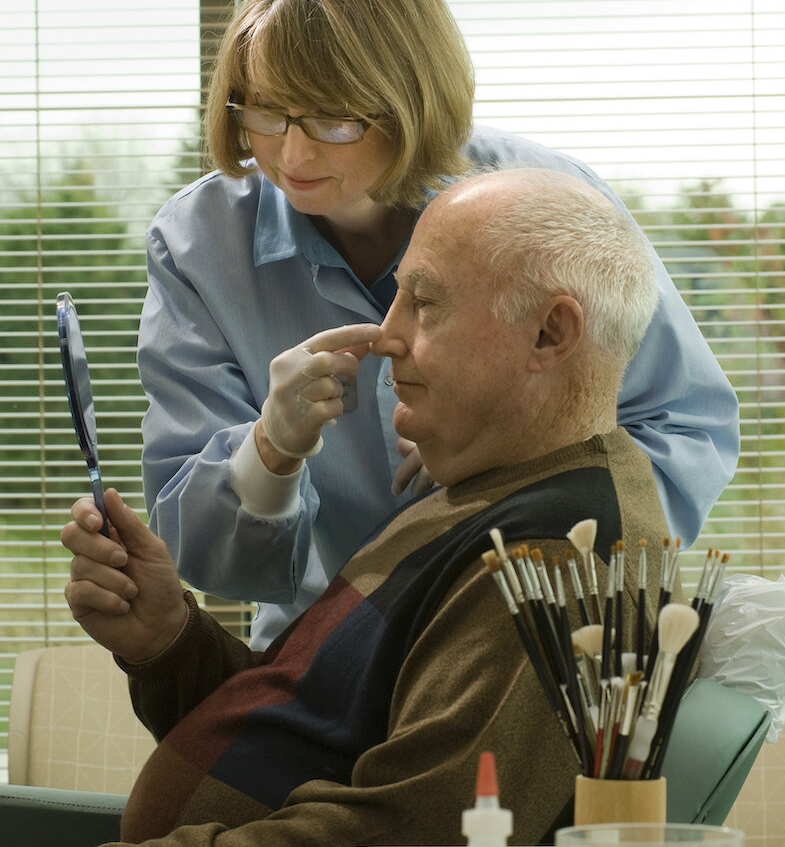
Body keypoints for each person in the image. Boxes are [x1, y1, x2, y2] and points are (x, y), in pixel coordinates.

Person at [137, 0, 737, 650]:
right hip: (321, 666)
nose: (291, 155)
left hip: (527, 647)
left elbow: (685, 429)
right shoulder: (198, 248)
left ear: (410, 96)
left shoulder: (554, 205)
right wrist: (271, 449)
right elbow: (208, 559)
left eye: (334, 118)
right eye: (265, 111)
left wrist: (522, 472)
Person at [64, 168, 684, 847]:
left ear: (549, 333)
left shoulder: (557, 560)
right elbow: (309, 731)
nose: (384, 335)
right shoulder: (474, 497)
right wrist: (169, 642)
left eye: (424, 303)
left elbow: (404, 831)